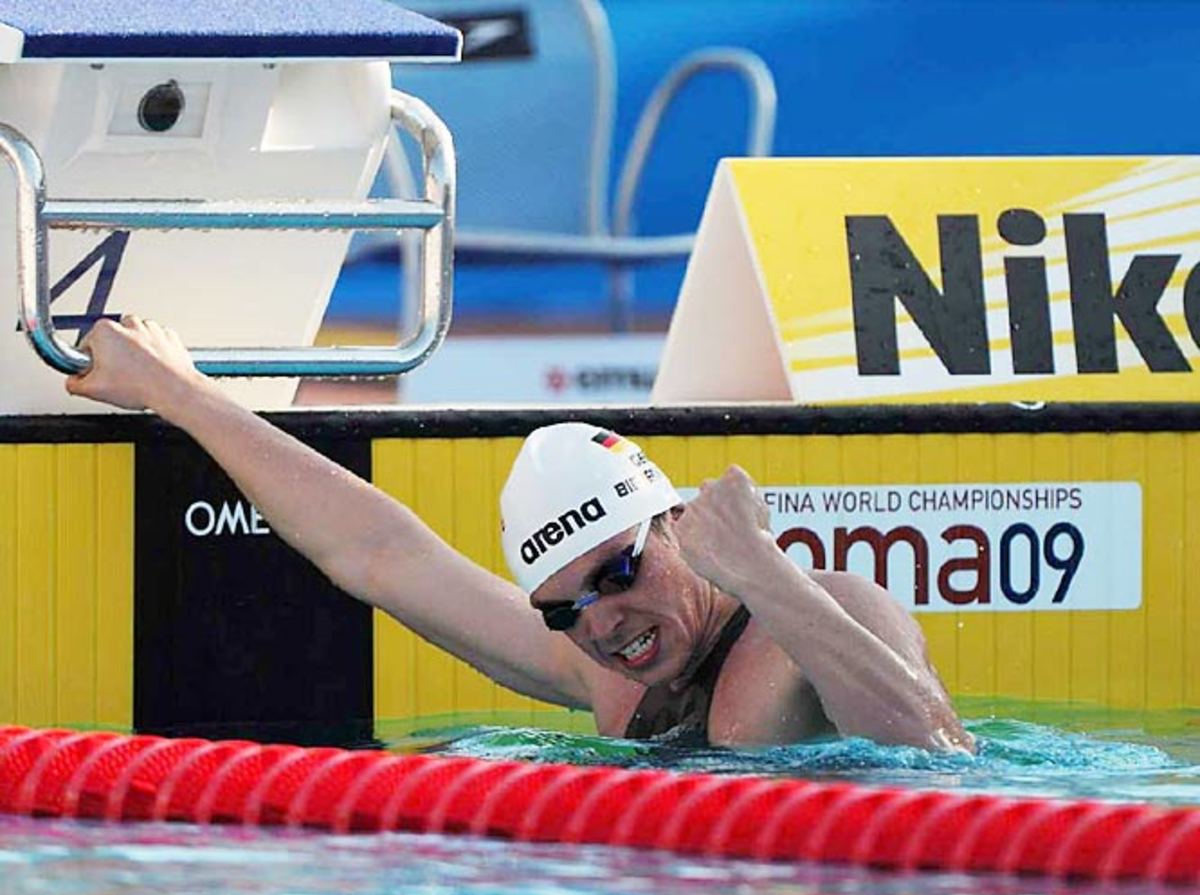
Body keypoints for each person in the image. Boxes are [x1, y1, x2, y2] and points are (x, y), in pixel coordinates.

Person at [68, 316, 973, 753]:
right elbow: (382, 554)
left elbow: (937, 758)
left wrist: (769, 576)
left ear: (675, 526)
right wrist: (181, 395)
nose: (603, 622)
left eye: (618, 571)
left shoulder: (829, 612)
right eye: (564, 609)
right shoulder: (598, 677)